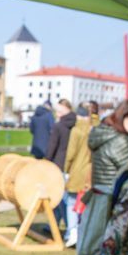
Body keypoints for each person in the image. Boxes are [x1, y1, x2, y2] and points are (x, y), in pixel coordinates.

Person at [76, 99, 128, 255]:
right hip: (111, 203)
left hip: (98, 200)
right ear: (124, 115)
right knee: (108, 249)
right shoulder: (120, 140)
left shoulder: (102, 133)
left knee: (96, 253)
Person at [63, 105, 93, 248]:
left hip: (77, 170)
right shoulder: (94, 129)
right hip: (91, 172)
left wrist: (66, 170)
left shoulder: (76, 130)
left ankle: (72, 232)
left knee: (71, 202)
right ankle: (83, 232)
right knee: (85, 203)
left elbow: (71, 153)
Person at [45, 99, 77, 234]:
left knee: (59, 198)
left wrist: (46, 162)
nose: (57, 114)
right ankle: (53, 224)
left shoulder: (59, 126)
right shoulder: (77, 124)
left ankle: (69, 229)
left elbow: (52, 146)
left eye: (58, 111)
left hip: (58, 164)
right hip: (71, 165)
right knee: (63, 197)